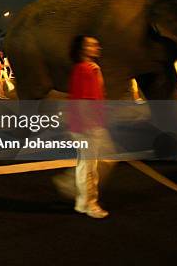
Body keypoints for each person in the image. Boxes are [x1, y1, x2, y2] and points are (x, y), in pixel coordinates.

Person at [56, 35, 115, 219]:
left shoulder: (89, 69)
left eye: (97, 44)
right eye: (91, 45)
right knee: (90, 167)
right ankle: (89, 203)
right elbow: (85, 102)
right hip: (88, 126)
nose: (97, 47)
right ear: (82, 49)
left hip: (87, 124)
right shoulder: (84, 70)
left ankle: (82, 200)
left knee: (90, 164)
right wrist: (90, 127)